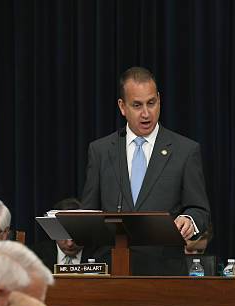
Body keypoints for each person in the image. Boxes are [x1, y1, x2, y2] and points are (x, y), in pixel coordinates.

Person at [81, 66, 211, 275]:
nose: (146, 113)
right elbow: (89, 212)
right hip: (110, 271)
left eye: (151, 103)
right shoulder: (101, 150)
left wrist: (190, 221)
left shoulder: (185, 151)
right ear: (122, 107)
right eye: (137, 105)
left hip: (162, 273)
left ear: (159, 99)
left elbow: (200, 210)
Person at [33, 198, 110, 270]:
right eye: (64, 235)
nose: (70, 244)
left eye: (75, 235)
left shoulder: (103, 256)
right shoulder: (35, 256)